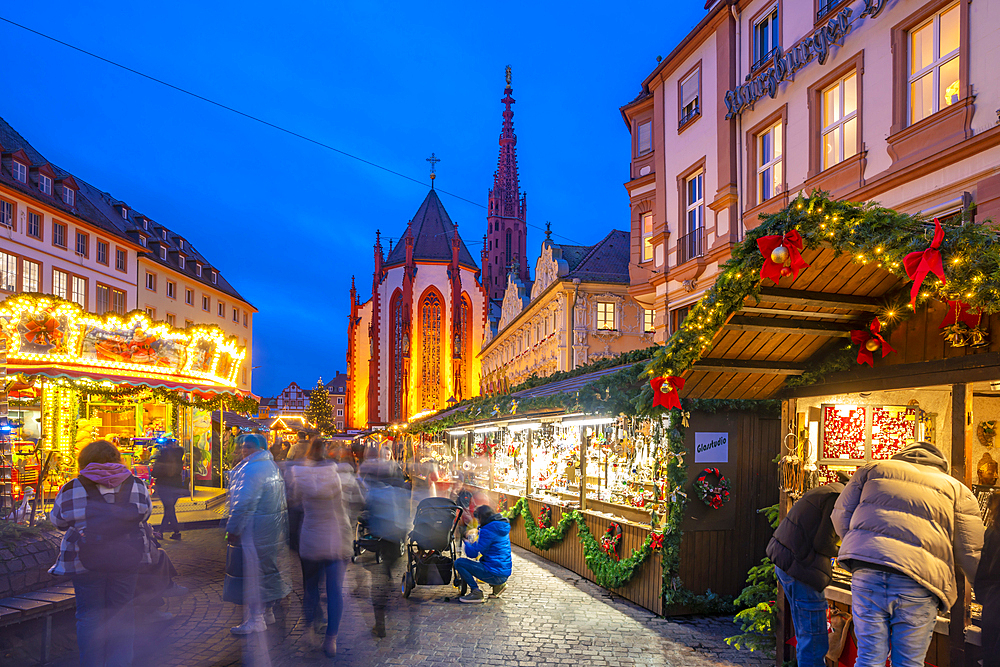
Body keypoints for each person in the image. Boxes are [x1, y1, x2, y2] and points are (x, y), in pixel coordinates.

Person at [832, 441, 983, 667]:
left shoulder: (872, 470)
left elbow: (841, 516)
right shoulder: (957, 489)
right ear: (941, 464)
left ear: (901, 456)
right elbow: (971, 551)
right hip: (920, 582)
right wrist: (983, 591)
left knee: (868, 658)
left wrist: (863, 547)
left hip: (868, 575)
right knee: (909, 662)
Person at [49, 440, 153, 667]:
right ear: (117, 459)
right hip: (127, 557)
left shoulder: (72, 487)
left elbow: (58, 520)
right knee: (123, 613)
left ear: (84, 460)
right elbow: (145, 514)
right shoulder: (136, 484)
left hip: (84, 559)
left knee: (89, 616)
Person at [287, 438, 362, 657]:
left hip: (311, 537)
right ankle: (331, 640)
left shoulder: (300, 473)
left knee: (310, 588)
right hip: (336, 537)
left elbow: (293, 500)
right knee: (334, 591)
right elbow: (358, 499)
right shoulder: (341, 473)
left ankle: (309, 630)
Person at [766, 475, 847, 667]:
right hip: (802, 569)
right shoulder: (836, 499)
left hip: (790, 565)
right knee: (814, 640)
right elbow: (823, 543)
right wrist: (847, 552)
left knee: (807, 636)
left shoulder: (829, 492)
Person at [223, 433, 291, 635]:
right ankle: (267, 611)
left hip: (253, 530)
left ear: (257, 448)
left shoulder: (251, 469)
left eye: (248, 446)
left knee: (252, 573)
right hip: (269, 529)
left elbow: (243, 504)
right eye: (243, 446)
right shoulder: (270, 466)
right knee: (266, 569)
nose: (243, 450)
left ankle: (255, 618)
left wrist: (233, 529)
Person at [359, 447, 409, 637]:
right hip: (395, 540)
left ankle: (380, 621)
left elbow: (366, 512)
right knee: (386, 574)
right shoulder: (399, 491)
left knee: (379, 581)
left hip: (379, 540)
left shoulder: (375, 493)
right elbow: (405, 514)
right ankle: (387, 606)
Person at [454, 504, 511, 603]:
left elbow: (473, 553)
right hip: (503, 572)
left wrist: (467, 542)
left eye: (478, 518)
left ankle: (476, 592)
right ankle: (498, 586)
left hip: (495, 573)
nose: (477, 521)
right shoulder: (500, 527)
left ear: (482, 517)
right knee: (485, 561)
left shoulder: (488, 530)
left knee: (459, 563)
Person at [977, 492, 1000, 667]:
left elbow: (982, 572)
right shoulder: (992, 533)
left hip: (994, 605)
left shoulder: (992, 533)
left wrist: (986, 598)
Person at [151, 439, 185, 540]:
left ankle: (161, 532)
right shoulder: (179, 456)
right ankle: (176, 532)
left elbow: (155, 473)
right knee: (170, 509)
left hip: (164, 486)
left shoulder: (162, 456)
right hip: (176, 486)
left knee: (168, 509)